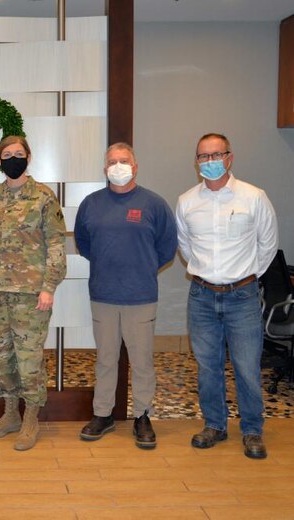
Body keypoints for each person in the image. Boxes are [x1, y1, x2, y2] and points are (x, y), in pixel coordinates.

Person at [176, 133, 278, 459]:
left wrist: (245, 278)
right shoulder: (187, 201)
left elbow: (268, 245)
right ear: (196, 162)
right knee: (208, 368)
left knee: (247, 368)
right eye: (203, 157)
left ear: (229, 158)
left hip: (243, 297)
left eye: (216, 155)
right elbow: (186, 246)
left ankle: (252, 431)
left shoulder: (254, 197)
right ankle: (215, 425)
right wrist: (211, 275)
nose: (210, 161)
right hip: (202, 296)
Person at [74, 142, 178, 450]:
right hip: (103, 295)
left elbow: (167, 247)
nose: (118, 166)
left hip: (141, 296)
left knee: (142, 361)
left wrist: (142, 268)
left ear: (135, 166)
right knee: (105, 360)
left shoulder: (154, 204)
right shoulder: (91, 204)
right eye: (112, 162)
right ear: (104, 168)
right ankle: (103, 414)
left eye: (124, 160)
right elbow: (84, 243)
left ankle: (142, 416)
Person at [0, 135, 66, 451]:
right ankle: (11, 413)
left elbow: (56, 245)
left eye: (19, 153)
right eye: (7, 154)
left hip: (31, 296)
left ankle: (31, 418)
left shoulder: (43, 197)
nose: (13, 158)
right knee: (2, 357)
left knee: (29, 360)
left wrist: (49, 287)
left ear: (29, 156)